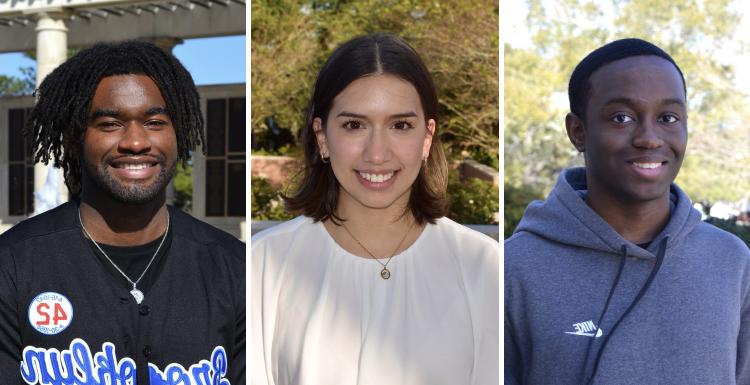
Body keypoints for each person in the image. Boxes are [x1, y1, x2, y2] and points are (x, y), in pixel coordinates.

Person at [252, 33, 498, 385]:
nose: (377, 153)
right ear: (322, 136)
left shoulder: (483, 266)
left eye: (400, 126)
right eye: (354, 125)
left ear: (427, 137)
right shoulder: (265, 264)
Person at [505, 38, 750, 384]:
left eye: (668, 117)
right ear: (578, 131)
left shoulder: (731, 260)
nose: (650, 138)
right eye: (621, 118)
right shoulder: (513, 268)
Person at [0, 41, 245, 384]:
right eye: (111, 123)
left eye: (155, 122)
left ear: (179, 134)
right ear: (74, 138)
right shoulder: (11, 265)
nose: (135, 141)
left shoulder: (235, 267)